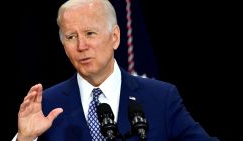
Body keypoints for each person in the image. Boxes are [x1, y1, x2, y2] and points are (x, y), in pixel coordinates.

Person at [12, 0, 219, 141]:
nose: (81, 46)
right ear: (64, 47)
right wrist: (25, 138)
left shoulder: (161, 98)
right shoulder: (46, 104)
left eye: (90, 33)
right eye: (71, 37)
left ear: (115, 37)